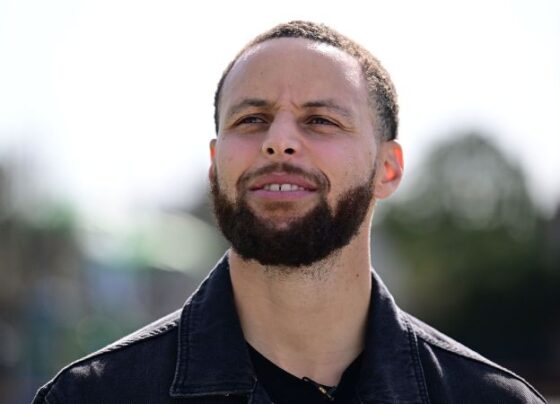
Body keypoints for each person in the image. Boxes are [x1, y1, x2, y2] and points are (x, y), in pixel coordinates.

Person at [33, 21, 545, 403]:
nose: (278, 142)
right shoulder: (94, 397)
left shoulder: (489, 399)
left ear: (387, 169)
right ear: (216, 166)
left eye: (320, 120)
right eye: (252, 119)